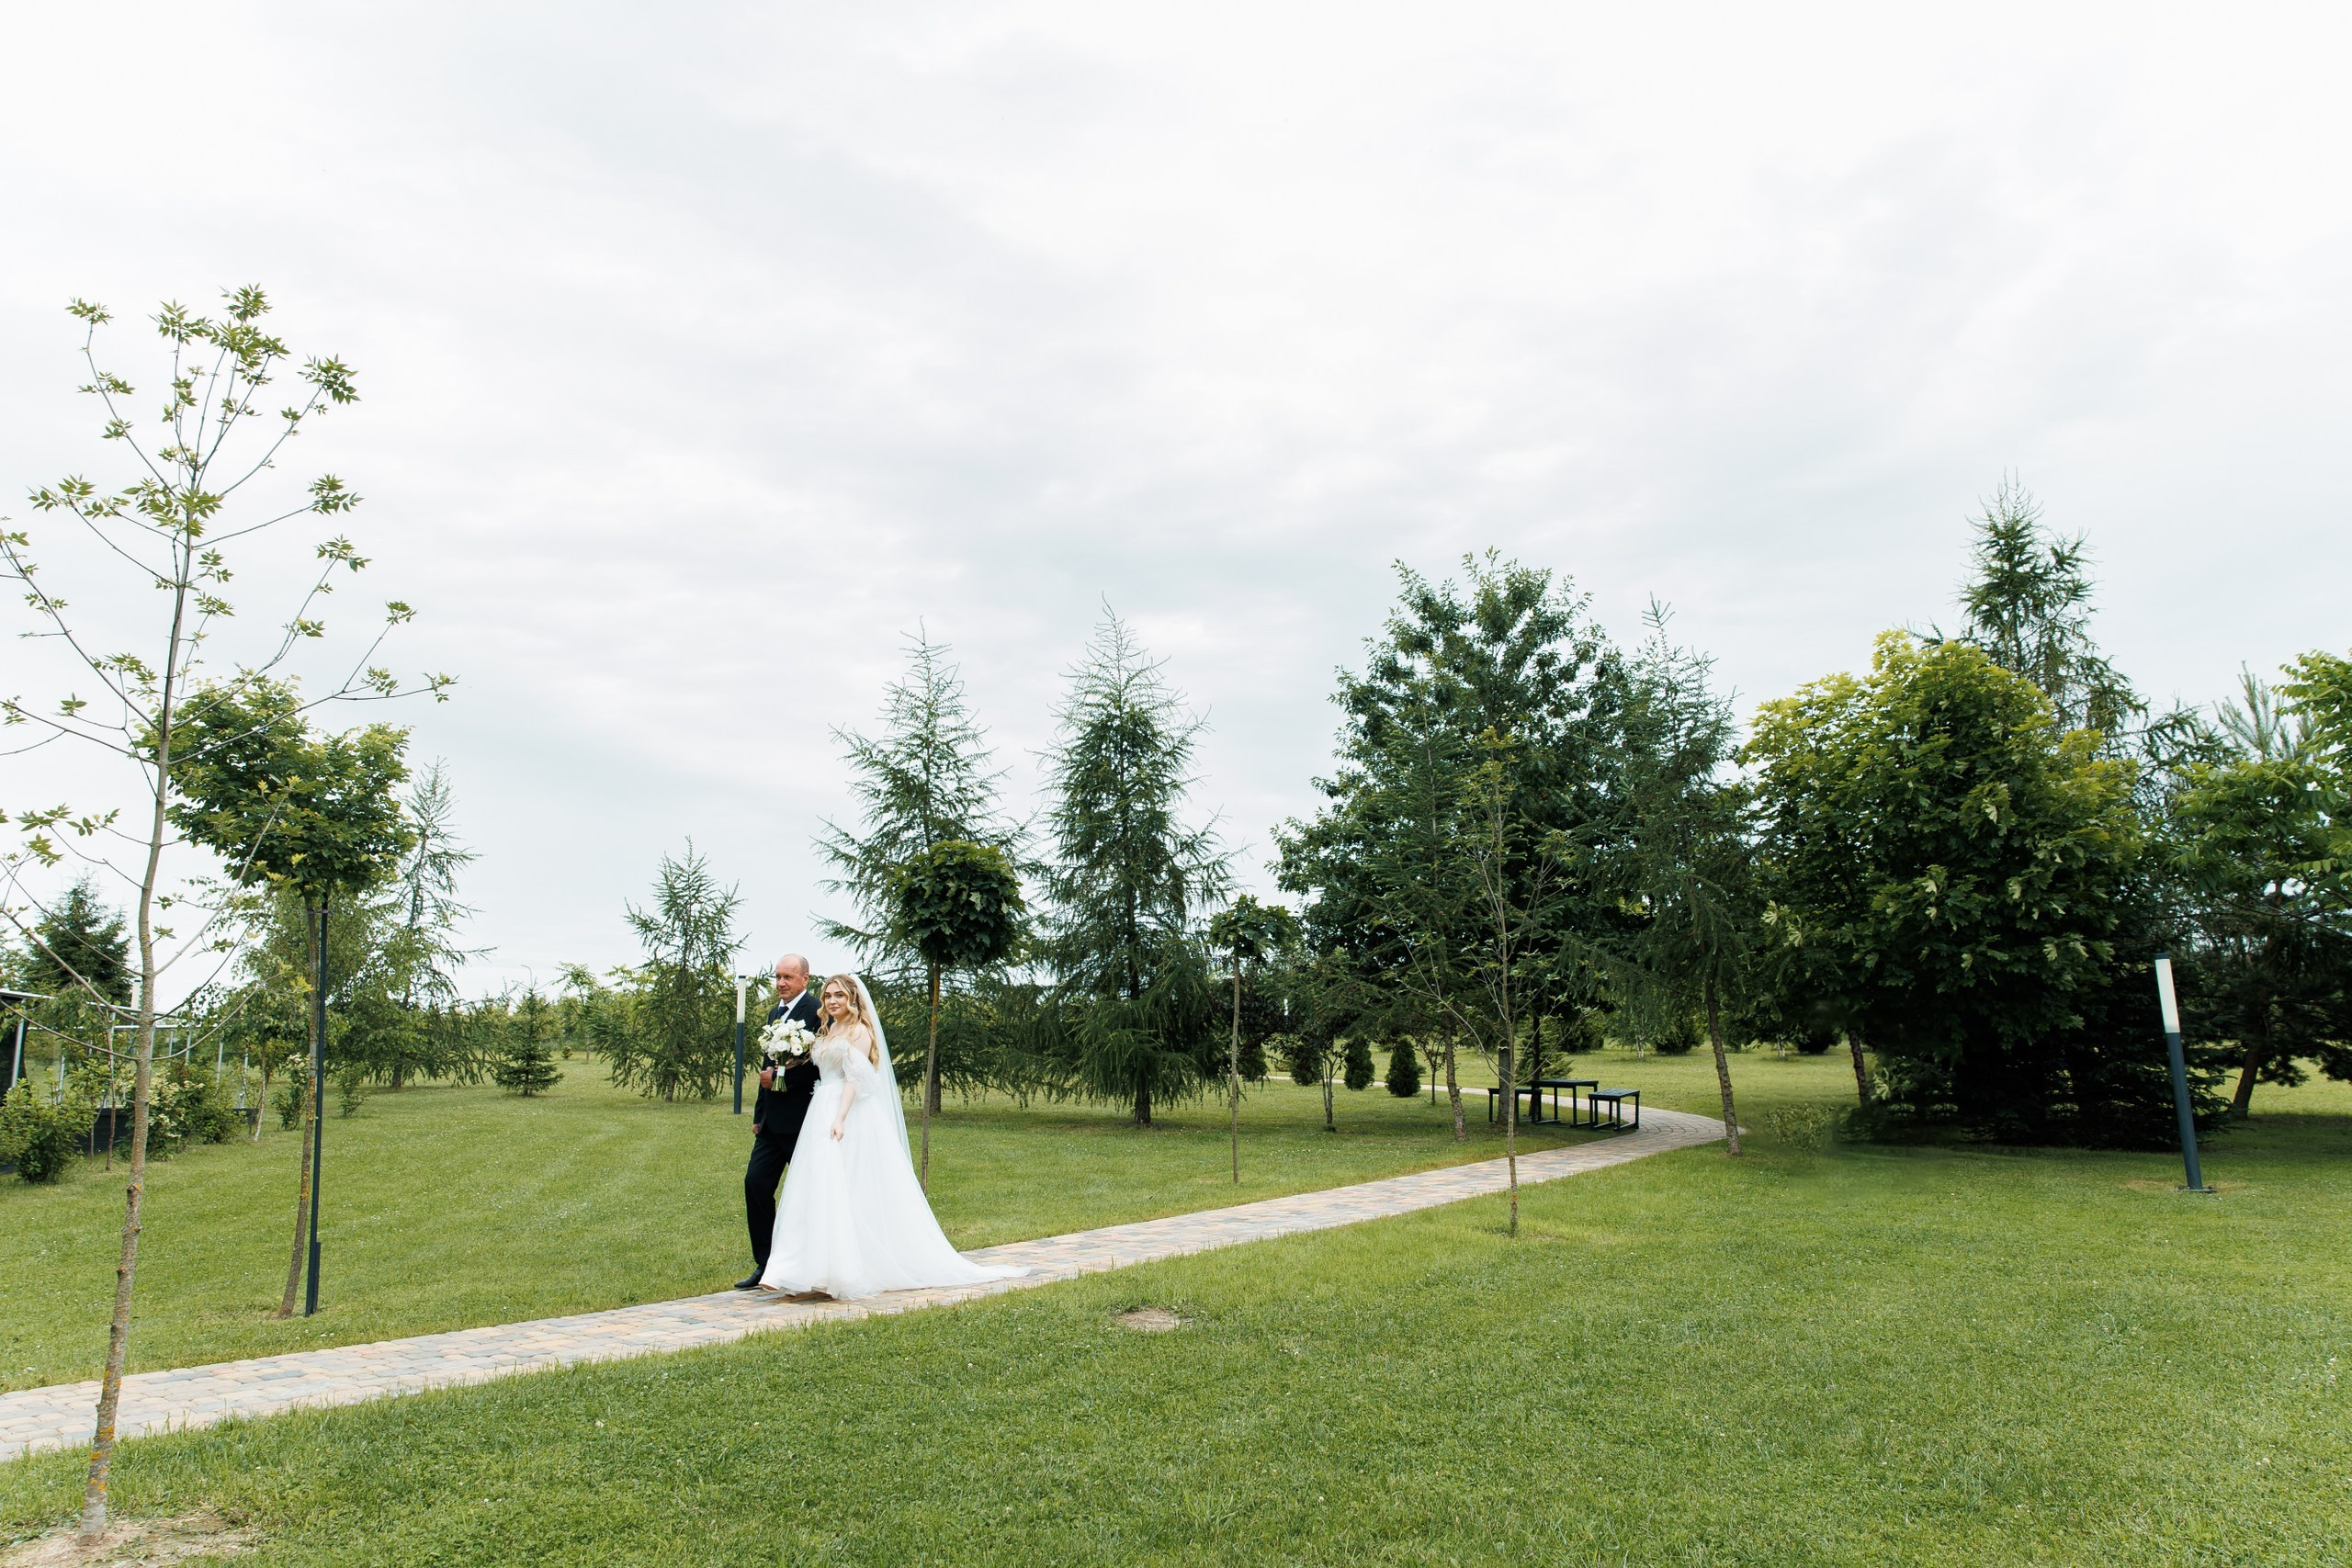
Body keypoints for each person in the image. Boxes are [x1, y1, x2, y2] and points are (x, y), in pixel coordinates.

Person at [758, 972, 1026, 1300]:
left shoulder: (859, 1032)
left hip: (846, 1112)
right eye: (828, 996)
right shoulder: (827, 1031)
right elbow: (815, 1066)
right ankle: (799, 1270)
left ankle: (843, 1270)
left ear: (853, 999)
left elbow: (856, 1079)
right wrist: (786, 1056)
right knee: (816, 1188)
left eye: (839, 996)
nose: (832, 1001)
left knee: (846, 1189)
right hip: (820, 1108)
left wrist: (840, 1118)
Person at [737, 953, 822, 1290]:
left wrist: (781, 1076)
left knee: (807, 1196)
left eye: (788, 977)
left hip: (804, 1121)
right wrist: (760, 1115)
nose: (781, 984)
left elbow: (819, 1068)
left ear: (805, 978)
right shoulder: (775, 1013)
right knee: (755, 1184)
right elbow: (766, 1068)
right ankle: (766, 1264)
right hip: (772, 1124)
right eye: (777, 977)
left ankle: (807, 1265)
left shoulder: (818, 1012)